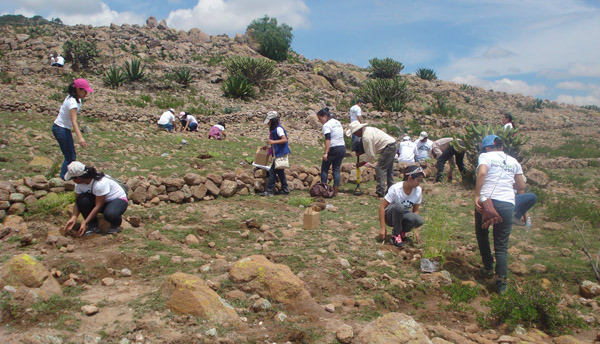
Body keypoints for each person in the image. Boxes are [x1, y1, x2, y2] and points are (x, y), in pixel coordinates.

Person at [475, 135, 525, 294]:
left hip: (487, 200)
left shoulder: (485, 156)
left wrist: (477, 195)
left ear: (487, 148)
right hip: (507, 203)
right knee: (502, 246)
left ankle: (488, 266)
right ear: (501, 147)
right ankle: (501, 283)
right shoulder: (513, 161)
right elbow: (521, 185)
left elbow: (482, 174)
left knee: (482, 232)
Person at [63, 162, 128, 237]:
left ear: (78, 178)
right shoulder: (79, 185)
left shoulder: (100, 183)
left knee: (110, 214)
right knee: (82, 200)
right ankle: (93, 225)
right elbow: (78, 202)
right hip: (102, 201)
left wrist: (85, 223)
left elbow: (98, 206)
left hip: (117, 200)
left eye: (72, 178)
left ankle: (115, 223)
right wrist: (74, 217)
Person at [52, 78, 94, 180]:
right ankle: (64, 178)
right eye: (84, 91)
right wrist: (80, 138)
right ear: (78, 90)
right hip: (61, 128)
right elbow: (74, 122)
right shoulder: (72, 103)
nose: (86, 94)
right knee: (70, 157)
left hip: (64, 128)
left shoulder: (76, 99)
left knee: (71, 155)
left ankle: (66, 177)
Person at [346, 121, 397, 197]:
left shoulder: (366, 137)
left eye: (355, 133)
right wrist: (362, 152)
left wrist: (362, 163)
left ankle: (380, 192)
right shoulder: (368, 130)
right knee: (389, 169)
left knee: (380, 168)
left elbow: (371, 155)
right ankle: (391, 190)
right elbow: (372, 147)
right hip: (392, 145)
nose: (355, 135)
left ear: (359, 130)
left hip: (388, 147)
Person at [379, 165, 425, 248]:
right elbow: (382, 207)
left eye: (421, 181)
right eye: (418, 180)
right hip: (390, 216)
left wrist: (416, 229)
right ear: (410, 178)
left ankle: (402, 232)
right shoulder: (396, 189)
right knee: (399, 206)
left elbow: (415, 211)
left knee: (418, 220)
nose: (419, 183)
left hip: (403, 215)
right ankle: (395, 235)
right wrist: (382, 227)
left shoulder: (418, 190)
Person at [260, 111, 290, 196]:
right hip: (278, 153)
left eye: (269, 121)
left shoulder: (278, 129)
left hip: (280, 153)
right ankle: (285, 189)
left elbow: (284, 139)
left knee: (272, 171)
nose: (268, 124)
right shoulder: (274, 130)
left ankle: (270, 191)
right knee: (280, 172)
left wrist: (273, 142)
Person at [317, 107, 346, 195]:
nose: (319, 121)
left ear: (325, 116)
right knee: (336, 169)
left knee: (324, 169)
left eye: (320, 118)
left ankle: (324, 189)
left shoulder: (326, 125)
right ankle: (336, 190)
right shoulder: (337, 122)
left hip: (333, 148)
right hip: (342, 147)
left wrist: (326, 153)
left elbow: (328, 139)